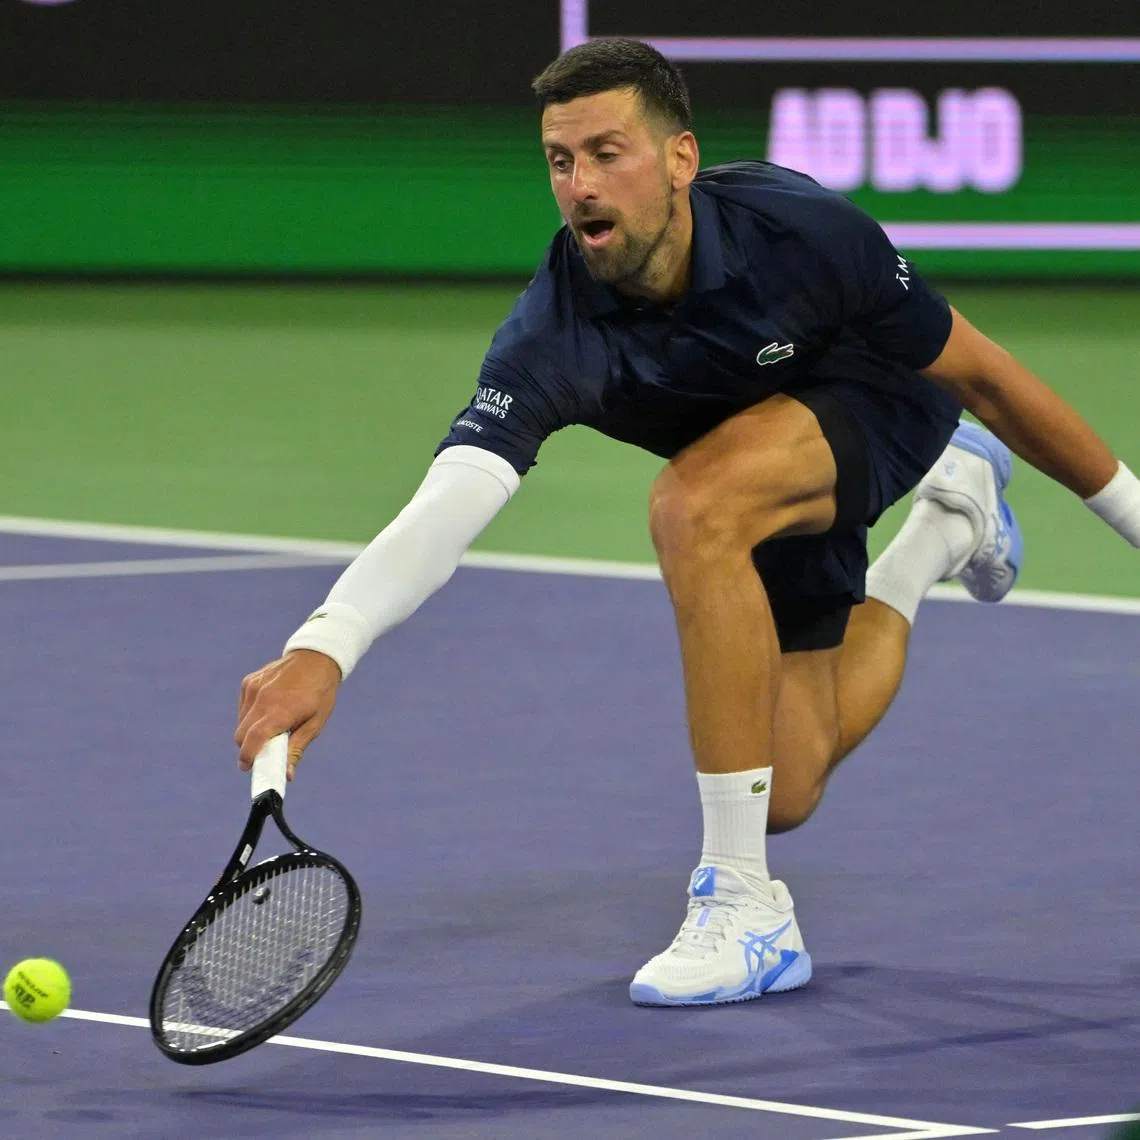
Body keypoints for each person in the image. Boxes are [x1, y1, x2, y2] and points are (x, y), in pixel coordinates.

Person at [234, 38, 1140, 1007]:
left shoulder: (801, 234)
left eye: (608, 152)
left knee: (691, 507)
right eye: (560, 160)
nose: (580, 183)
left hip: (883, 406)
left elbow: (988, 377)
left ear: (680, 160)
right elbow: (449, 501)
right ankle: (941, 534)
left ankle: (745, 905)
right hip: (765, 489)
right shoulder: (553, 336)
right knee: (786, 784)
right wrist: (324, 644)